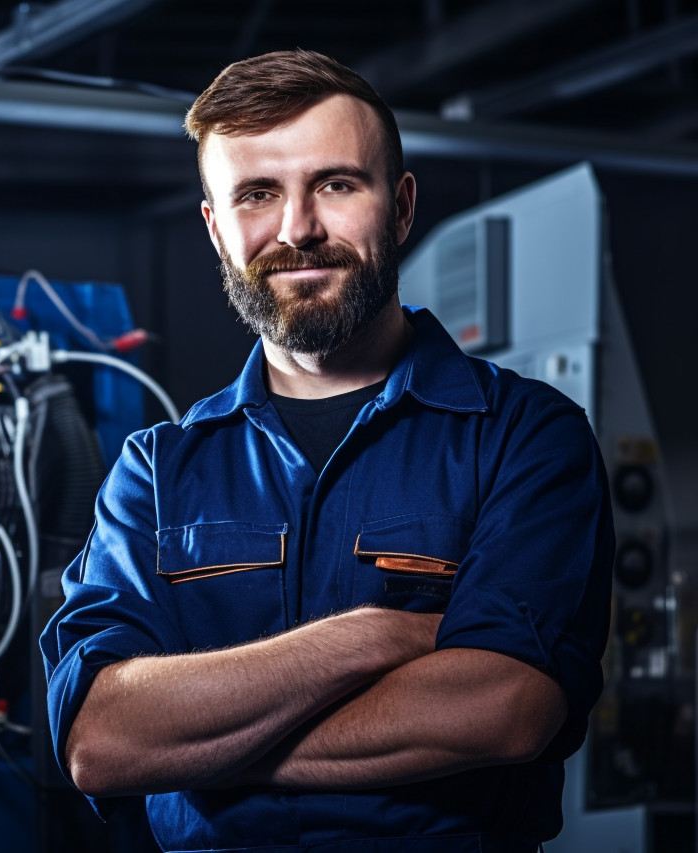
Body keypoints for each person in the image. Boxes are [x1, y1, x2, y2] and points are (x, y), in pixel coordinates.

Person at [39, 49, 614, 853]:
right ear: (216, 226)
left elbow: (503, 708)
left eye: (337, 184)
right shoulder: (159, 472)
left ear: (402, 207)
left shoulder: (523, 435)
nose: (298, 229)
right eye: (257, 194)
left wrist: (204, 751)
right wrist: (369, 638)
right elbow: (102, 739)